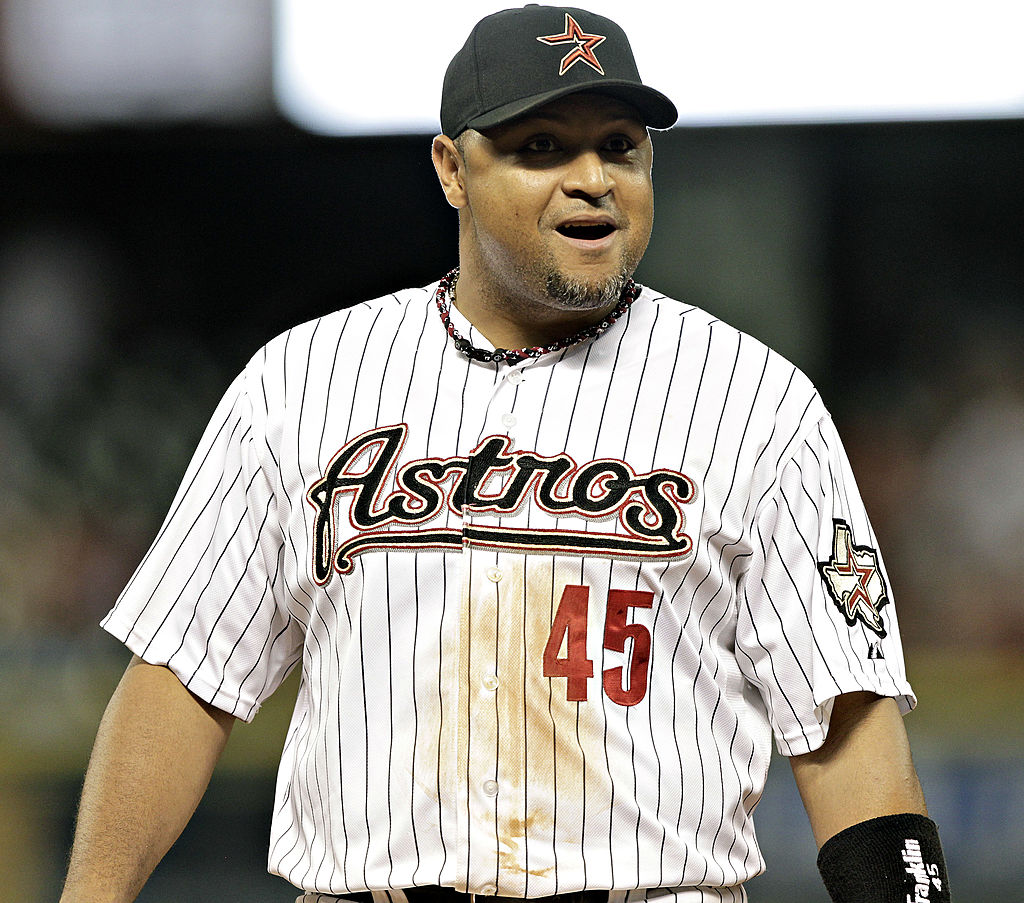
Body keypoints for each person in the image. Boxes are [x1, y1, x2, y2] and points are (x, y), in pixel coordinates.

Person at [60, 6, 951, 903]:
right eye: (542, 148)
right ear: (452, 168)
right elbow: (182, 680)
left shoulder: (756, 402)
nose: (593, 179)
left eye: (621, 146)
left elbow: (847, 730)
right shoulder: (300, 384)